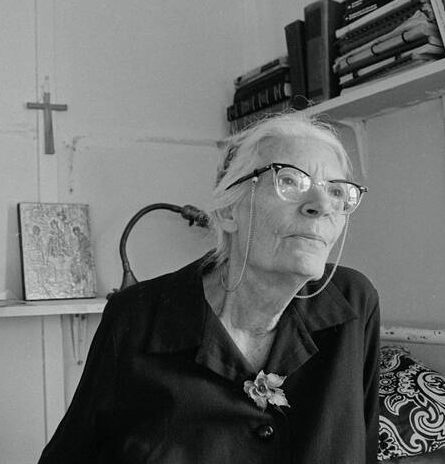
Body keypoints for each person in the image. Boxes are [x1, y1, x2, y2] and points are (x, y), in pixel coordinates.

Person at [37, 112, 380, 463]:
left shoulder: (353, 304)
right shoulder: (138, 315)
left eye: (337, 191)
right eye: (290, 181)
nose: (323, 207)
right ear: (228, 212)